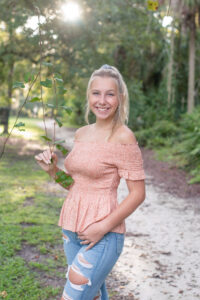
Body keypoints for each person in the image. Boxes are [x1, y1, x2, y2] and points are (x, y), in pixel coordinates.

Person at [34, 64, 146, 300]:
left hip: (103, 234)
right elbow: (76, 184)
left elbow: (138, 194)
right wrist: (52, 170)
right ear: (89, 96)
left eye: (110, 94)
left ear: (120, 98)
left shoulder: (124, 137)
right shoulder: (81, 134)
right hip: (71, 228)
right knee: (91, 296)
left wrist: (101, 228)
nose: (102, 100)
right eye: (97, 93)